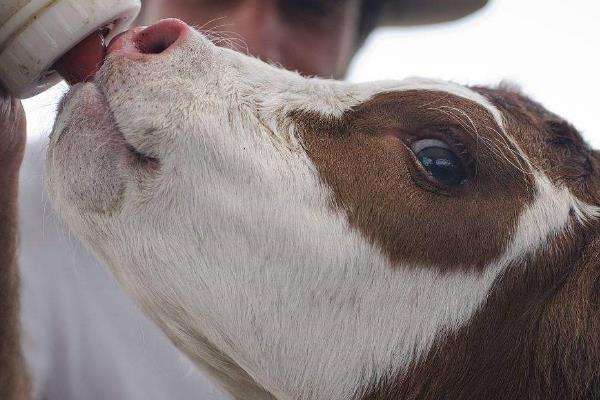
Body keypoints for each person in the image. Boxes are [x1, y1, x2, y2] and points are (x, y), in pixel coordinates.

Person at [0, 0, 488, 399]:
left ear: (354, 43)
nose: (250, 36)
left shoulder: (420, 291)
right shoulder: (20, 203)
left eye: (310, 9)